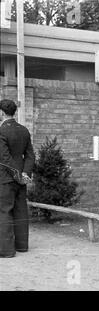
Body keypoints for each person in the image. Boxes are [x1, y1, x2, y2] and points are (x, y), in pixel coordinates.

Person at [0, 99, 35, 258]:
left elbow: (4, 159)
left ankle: (6, 250)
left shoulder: (1, 131)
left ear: (1, 112)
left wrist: (17, 176)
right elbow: (30, 156)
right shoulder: (24, 130)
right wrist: (25, 174)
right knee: (20, 210)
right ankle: (22, 246)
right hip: (20, 176)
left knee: (4, 211)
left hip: (5, 178)